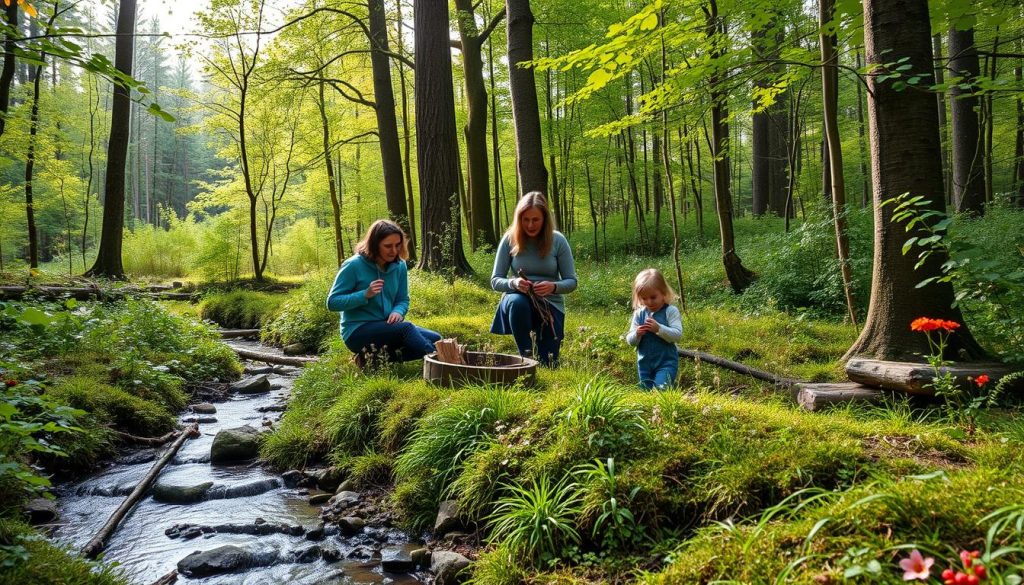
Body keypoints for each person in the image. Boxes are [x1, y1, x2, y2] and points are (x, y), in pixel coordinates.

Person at [327, 219, 441, 367]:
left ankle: (370, 359)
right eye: (388, 246)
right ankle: (442, 362)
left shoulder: (400, 265)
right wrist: (364, 295)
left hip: (386, 326)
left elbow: (402, 299)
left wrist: (398, 312)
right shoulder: (353, 265)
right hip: (357, 331)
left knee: (436, 338)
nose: (394, 250)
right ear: (374, 245)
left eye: (397, 245)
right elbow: (332, 302)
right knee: (406, 328)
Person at [490, 192, 577, 366]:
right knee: (517, 303)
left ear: (545, 219)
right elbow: (495, 280)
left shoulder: (558, 240)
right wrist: (513, 283)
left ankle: (541, 357)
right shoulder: (509, 239)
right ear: (519, 219)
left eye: (535, 220)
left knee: (548, 363)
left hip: (549, 304)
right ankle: (525, 358)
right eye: (525, 219)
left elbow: (571, 281)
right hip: (518, 298)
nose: (530, 225)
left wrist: (553, 287)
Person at [625, 268, 682, 389]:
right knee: (645, 393)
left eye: (653, 297)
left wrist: (659, 329)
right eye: (644, 298)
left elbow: (677, 335)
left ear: (663, 293)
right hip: (644, 363)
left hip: (666, 362)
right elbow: (630, 340)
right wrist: (637, 334)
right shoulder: (639, 314)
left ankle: (665, 406)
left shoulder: (670, 311)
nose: (649, 302)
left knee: (661, 389)